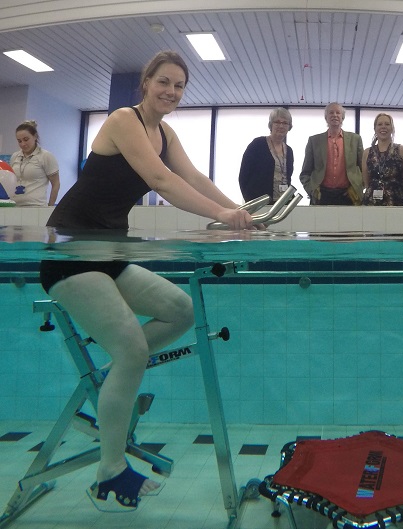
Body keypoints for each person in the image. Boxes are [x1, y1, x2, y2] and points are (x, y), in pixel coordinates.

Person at [39, 50, 256, 512]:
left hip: (110, 252)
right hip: (71, 252)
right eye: (164, 82)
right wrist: (220, 215)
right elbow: (159, 178)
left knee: (181, 311)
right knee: (133, 351)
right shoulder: (123, 119)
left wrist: (242, 213)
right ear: (146, 82)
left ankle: (119, 374)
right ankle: (109, 473)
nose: (171, 92)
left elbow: (193, 175)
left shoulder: (166, 131)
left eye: (179, 85)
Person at [299, 102, 363, 205]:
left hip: (348, 196)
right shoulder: (314, 141)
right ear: (326, 117)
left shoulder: (355, 139)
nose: (334, 115)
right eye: (331, 112)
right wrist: (311, 189)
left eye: (338, 113)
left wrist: (358, 186)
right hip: (321, 196)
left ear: (343, 117)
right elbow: (305, 173)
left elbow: (363, 169)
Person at [239, 107, 294, 204]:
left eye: (285, 123)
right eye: (277, 122)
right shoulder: (257, 144)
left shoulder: (289, 150)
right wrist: (250, 202)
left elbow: (287, 177)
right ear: (271, 125)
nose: (281, 126)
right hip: (259, 202)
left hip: (283, 202)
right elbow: (243, 176)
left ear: (289, 127)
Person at [361, 112, 403, 206]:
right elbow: (367, 182)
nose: (383, 127)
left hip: (396, 202)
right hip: (372, 203)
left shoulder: (401, 150)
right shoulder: (367, 152)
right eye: (379, 124)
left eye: (387, 124)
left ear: (392, 128)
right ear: (375, 129)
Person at [9, 120, 60, 206]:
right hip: (15, 205)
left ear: (35, 136)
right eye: (19, 141)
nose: (23, 144)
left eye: (26, 139)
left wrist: (50, 206)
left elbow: (56, 184)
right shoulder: (15, 156)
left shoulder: (45, 156)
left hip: (36, 206)